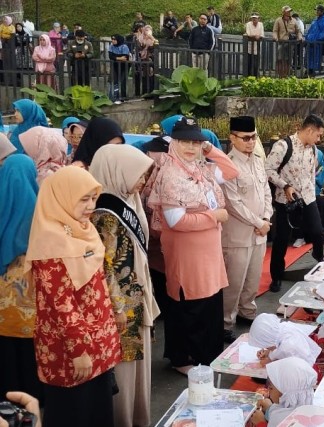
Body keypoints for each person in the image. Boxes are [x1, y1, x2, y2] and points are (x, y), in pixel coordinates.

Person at [26, 166, 122, 427]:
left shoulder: (82, 229)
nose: (91, 206)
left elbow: (99, 280)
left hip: (98, 338)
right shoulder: (50, 240)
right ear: (63, 197)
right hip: (69, 348)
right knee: (73, 410)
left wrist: (115, 313)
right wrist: (79, 350)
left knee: (98, 408)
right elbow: (62, 304)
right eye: (84, 199)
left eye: (94, 198)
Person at [146, 117, 238, 374]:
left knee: (209, 303)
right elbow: (177, 221)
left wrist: (210, 148)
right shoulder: (171, 173)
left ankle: (207, 356)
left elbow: (231, 171)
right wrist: (213, 216)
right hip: (187, 253)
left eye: (195, 142)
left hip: (207, 253)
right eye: (185, 141)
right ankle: (185, 358)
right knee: (190, 305)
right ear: (173, 142)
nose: (190, 147)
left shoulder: (200, 168)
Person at [90, 144, 158, 427]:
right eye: (139, 175)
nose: (142, 182)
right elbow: (106, 270)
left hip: (136, 294)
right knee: (125, 370)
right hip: (121, 307)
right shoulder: (104, 213)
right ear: (117, 171)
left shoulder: (128, 199)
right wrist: (120, 308)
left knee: (138, 369)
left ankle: (136, 417)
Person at [219, 116, 271, 342]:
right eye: (246, 138)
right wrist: (259, 223)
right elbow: (232, 203)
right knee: (234, 282)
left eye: (254, 137)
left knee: (252, 279)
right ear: (233, 138)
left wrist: (267, 217)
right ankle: (225, 323)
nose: (251, 142)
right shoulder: (227, 165)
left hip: (260, 231)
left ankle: (247, 312)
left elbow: (266, 192)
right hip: (238, 234)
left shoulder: (258, 161)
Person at [265, 114, 324, 293]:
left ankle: (319, 258)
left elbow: (310, 171)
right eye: (318, 135)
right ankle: (276, 276)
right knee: (282, 239)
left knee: (318, 231)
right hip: (287, 200)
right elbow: (267, 169)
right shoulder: (283, 146)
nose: (319, 139)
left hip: (308, 197)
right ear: (309, 130)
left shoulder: (313, 149)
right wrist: (285, 185)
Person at [0, 155, 41, 401]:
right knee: (29, 354)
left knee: (6, 353)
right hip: (30, 305)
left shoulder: (3, 201)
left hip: (3, 308)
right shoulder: (38, 209)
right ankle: (32, 399)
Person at [250, 357, 317, 427]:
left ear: (284, 393)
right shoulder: (308, 405)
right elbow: (282, 411)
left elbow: (279, 418)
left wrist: (260, 423)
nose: (269, 392)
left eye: (271, 388)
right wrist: (270, 408)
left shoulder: (281, 420)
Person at [247, 314, 321, 366]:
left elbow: (283, 353)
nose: (266, 348)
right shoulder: (281, 329)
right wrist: (268, 352)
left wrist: (269, 360)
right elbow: (278, 348)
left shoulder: (288, 347)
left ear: (269, 340)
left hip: (306, 368)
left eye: (266, 345)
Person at [273, 6, 303, 78]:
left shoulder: (294, 20)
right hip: (282, 42)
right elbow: (275, 31)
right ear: (283, 12)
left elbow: (298, 31)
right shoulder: (278, 20)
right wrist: (275, 38)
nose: (289, 12)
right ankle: (280, 75)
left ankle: (286, 74)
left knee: (288, 59)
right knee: (280, 58)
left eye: (290, 11)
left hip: (291, 43)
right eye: (288, 11)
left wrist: (300, 37)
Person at [305, 5, 324, 76]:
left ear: (322, 11)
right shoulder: (317, 19)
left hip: (316, 43)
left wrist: (317, 40)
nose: (316, 12)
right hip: (311, 42)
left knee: (315, 58)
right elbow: (311, 29)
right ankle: (309, 71)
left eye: (318, 10)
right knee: (309, 57)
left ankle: (312, 72)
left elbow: (323, 32)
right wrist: (307, 37)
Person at [134, 25, 156, 96]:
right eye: (146, 30)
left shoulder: (152, 39)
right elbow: (139, 47)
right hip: (142, 60)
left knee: (151, 76)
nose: (147, 32)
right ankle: (144, 93)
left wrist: (151, 38)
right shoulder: (140, 38)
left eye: (149, 30)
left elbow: (153, 47)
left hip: (150, 60)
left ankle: (151, 93)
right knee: (144, 77)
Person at [107, 34, 130, 102]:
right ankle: (115, 97)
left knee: (122, 82)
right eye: (112, 39)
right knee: (115, 82)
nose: (113, 41)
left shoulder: (124, 46)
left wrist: (115, 57)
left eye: (114, 39)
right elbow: (110, 56)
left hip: (124, 67)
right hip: (115, 66)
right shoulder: (111, 46)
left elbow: (125, 57)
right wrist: (119, 57)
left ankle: (123, 97)